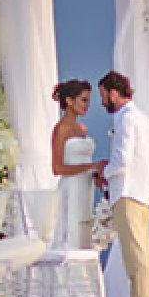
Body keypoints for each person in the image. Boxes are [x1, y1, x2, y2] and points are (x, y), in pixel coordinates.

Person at [97, 71, 149, 297]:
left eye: (103, 96)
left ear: (114, 93)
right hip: (143, 193)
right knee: (144, 256)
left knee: (136, 260)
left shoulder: (126, 118)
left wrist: (105, 172)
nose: (103, 103)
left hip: (127, 193)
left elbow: (122, 160)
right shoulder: (145, 120)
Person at [49, 80, 102, 248]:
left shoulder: (82, 128)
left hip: (86, 187)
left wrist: (96, 174)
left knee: (84, 228)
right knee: (71, 231)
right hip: (71, 187)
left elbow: (85, 162)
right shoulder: (61, 129)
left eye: (88, 101)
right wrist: (91, 167)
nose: (87, 105)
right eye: (83, 100)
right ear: (69, 101)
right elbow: (57, 168)